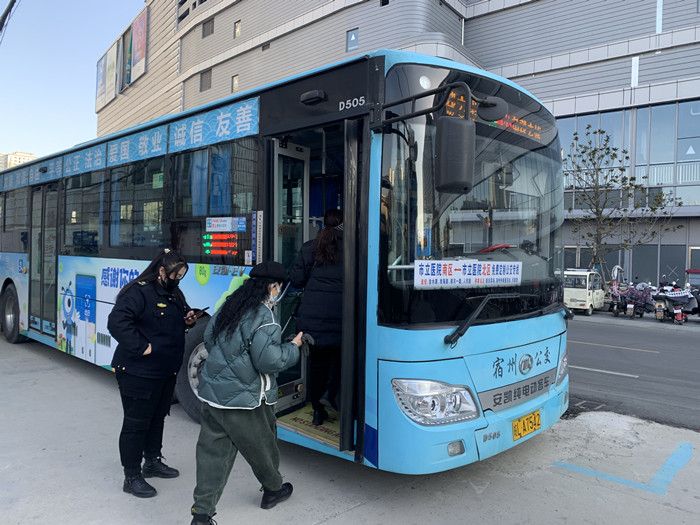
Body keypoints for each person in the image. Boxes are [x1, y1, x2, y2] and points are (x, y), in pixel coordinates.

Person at [190, 261, 301, 525]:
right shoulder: (266, 317)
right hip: (246, 400)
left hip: (214, 396)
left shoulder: (229, 306)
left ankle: (202, 514)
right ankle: (273, 490)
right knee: (262, 448)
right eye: (279, 287)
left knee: (211, 456)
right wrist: (294, 347)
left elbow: (209, 340)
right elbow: (268, 361)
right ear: (273, 287)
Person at [107, 249, 196, 498]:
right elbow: (116, 322)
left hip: (165, 370)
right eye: (175, 274)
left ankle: (153, 462)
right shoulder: (138, 292)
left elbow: (175, 317)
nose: (178, 279)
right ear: (161, 270)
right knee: (136, 423)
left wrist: (188, 319)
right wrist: (142, 347)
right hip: (139, 371)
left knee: (157, 418)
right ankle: (132, 476)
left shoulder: (174, 292)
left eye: (181, 275)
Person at [289, 208, 343, 426]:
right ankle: (333, 397)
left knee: (317, 365)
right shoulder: (355, 249)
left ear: (323, 223)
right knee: (340, 361)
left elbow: (296, 280)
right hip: (343, 319)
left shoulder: (310, 248)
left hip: (314, 319)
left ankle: (317, 409)